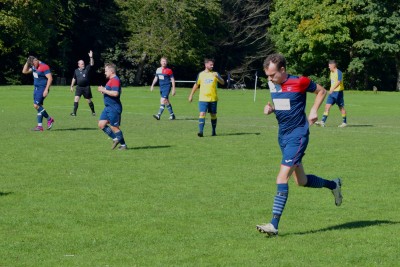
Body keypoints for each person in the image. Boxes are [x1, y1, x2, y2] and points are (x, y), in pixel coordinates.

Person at [256, 54, 343, 237]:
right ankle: (333, 185)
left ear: (282, 70)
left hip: (298, 136)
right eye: (267, 76)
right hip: (283, 136)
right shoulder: (273, 84)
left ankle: (274, 224)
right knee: (301, 181)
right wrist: (271, 109)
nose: (270, 79)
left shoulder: (300, 81)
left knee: (281, 178)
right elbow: (283, 103)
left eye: (272, 75)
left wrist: (313, 111)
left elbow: (321, 91)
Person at [188, 58, 225, 137]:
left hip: (213, 98)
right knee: (202, 113)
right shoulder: (201, 74)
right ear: (206, 65)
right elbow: (196, 85)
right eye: (210, 64)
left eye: (213, 64)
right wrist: (191, 95)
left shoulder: (215, 73)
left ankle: (213, 131)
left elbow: (223, 82)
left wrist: (218, 77)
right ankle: (201, 132)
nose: (212, 66)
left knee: (213, 115)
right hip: (203, 98)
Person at [97, 63, 127, 150]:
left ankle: (124, 145)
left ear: (111, 71)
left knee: (114, 127)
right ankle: (115, 138)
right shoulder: (111, 80)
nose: (105, 72)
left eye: (106, 71)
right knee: (101, 124)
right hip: (108, 107)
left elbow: (115, 93)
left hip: (114, 107)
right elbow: (110, 91)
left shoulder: (115, 80)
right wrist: (104, 90)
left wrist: (103, 90)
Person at [22, 56, 55, 131]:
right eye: (32, 65)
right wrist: (27, 62)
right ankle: (40, 126)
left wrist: (46, 90)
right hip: (36, 89)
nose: (34, 66)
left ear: (36, 60)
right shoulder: (34, 66)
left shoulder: (44, 66)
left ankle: (49, 119)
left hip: (42, 89)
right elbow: (24, 71)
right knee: (39, 107)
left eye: (34, 64)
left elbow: (50, 78)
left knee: (36, 105)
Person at [315, 60, 347, 127]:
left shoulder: (339, 72)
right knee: (327, 106)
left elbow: (339, 82)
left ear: (333, 65)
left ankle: (344, 122)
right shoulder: (331, 72)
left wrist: (332, 88)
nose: (329, 67)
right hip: (332, 93)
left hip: (338, 92)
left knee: (341, 107)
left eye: (329, 66)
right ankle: (322, 122)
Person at [70, 50, 96, 116]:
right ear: (78, 65)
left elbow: (92, 64)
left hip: (86, 87)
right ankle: (74, 113)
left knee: (88, 100)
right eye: (81, 64)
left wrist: (91, 57)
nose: (83, 64)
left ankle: (93, 112)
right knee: (76, 98)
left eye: (83, 63)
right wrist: (72, 86)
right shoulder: (76, 71)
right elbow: (74, 78)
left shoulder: (87, 68)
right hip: (79, 87)